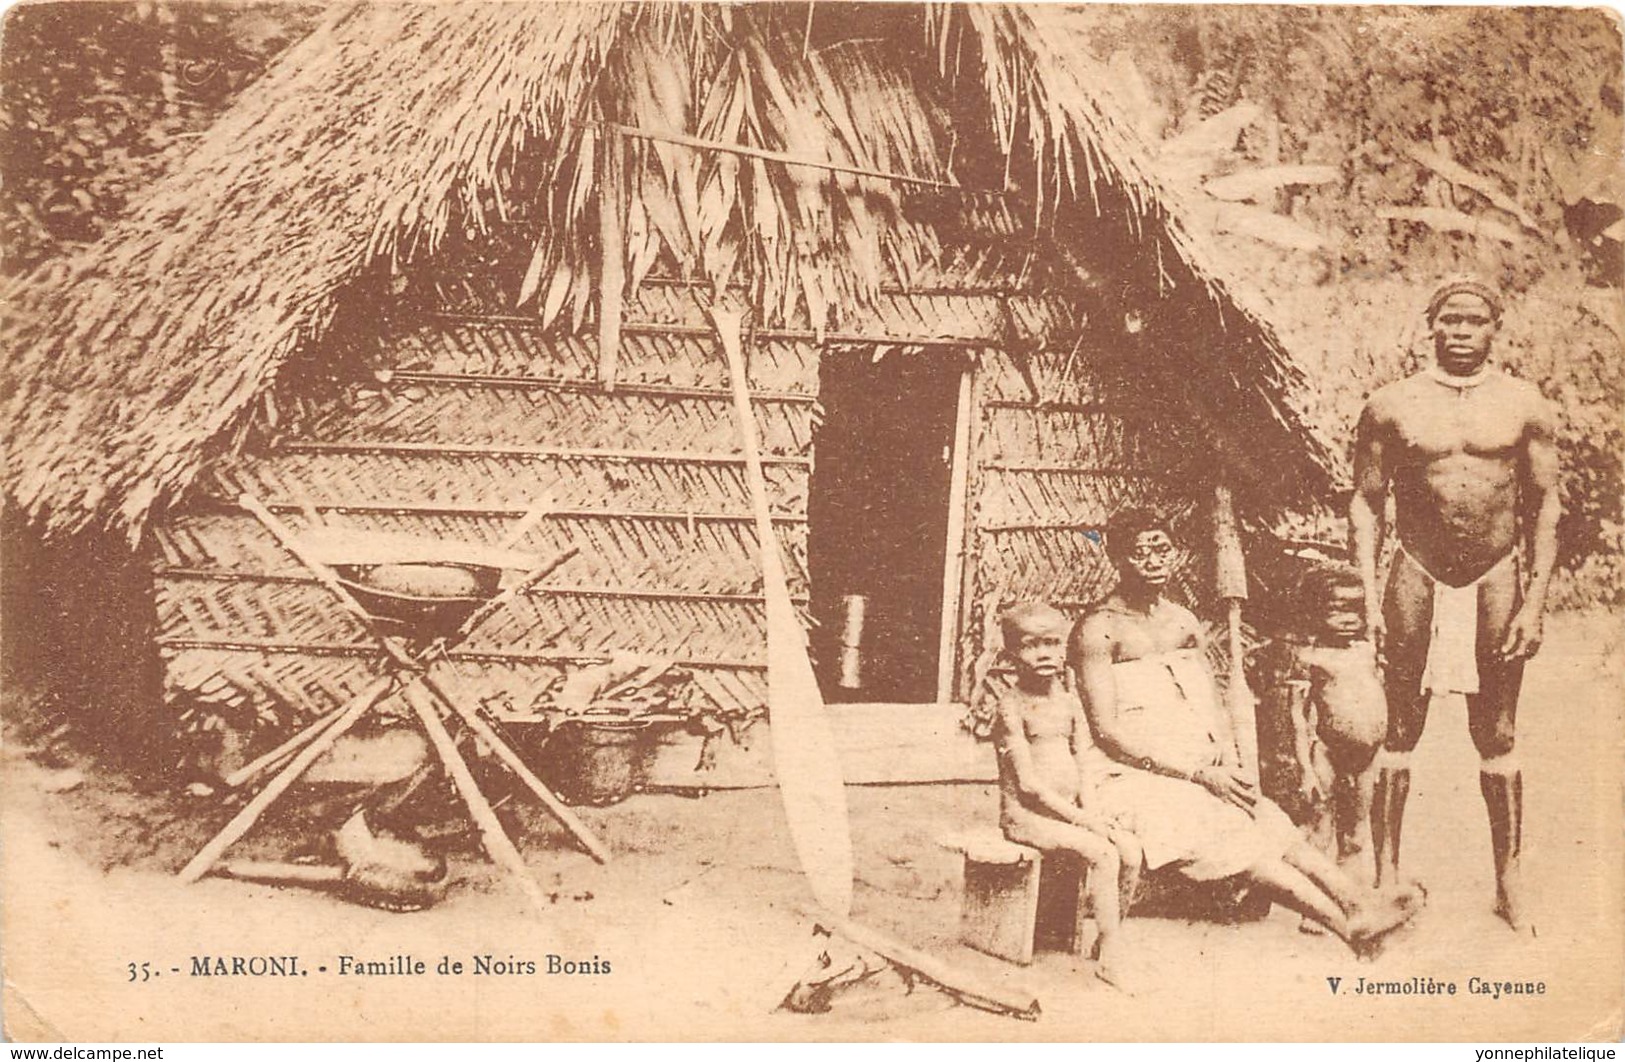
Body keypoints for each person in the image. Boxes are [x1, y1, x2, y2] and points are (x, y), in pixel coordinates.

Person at [1070, 508, 1422, 956]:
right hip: (1129, 776)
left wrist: (1227, 763)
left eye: (1162, 549)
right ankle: (1345, 925)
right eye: (1141, 552)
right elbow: (1107, 732)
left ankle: (1359, 902)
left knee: (1267, 818)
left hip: (1194, 769)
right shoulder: (1098, 630)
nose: (1155, 561)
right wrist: (1196, 774)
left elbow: (1209, 706)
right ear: (1117, 559)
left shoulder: (1181, 621)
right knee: (1233, 837)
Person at [1350, 277, 1559, 932]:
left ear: (1494, 329)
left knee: (1495, 732)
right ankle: (1384, 876)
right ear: (1430, 326)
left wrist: (1535, 600)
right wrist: (1365, 591)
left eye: (1474, 321)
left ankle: (1508, 879)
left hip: (1496, 576)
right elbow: (1365, 499)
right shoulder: (1391, 405)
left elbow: (1545, 504)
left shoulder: (1524, 405)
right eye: (1450, 320)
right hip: (1415, 574)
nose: (1461, 331)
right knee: (1396, 728)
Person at [993, 602, 1141, 989]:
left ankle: (1106, 941)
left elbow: (1085, 762)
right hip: (1027, 818)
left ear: (1064, 649)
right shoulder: (1011, 706)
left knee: (1129, 849)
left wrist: (1093, 813)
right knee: (1103, 853)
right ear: (1011, 654)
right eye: (1030, 645)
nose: (1043, 653)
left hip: (1069, 813)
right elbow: (1029, 785)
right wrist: (1083, 822)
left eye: (1052, 644)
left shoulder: (1069, 702)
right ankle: (1112, 957)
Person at [1288, 562, 1387, 872]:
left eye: (1356, 610)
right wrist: (1306, 767)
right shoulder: (1311, 658)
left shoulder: (1368, 651)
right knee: (1320, 828)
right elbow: (1298, 717)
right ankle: (1318, 907)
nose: (1349, 619)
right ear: (1314, 612)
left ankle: (1352, 902)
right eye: (1337, 610)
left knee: (1357, 834)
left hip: (1368, 756)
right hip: (1327, 754)